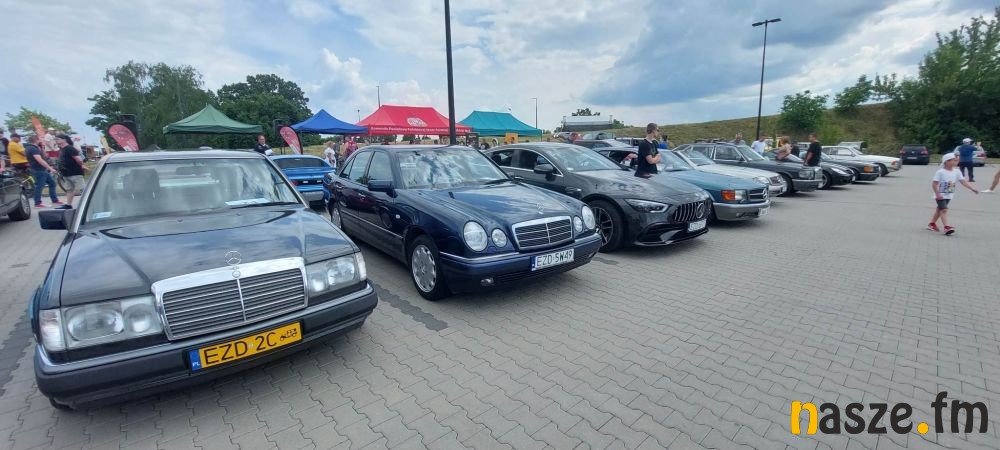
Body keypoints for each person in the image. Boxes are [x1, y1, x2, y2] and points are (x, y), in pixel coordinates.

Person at [928, 153, 978, 235]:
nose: (956, 162)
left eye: (957, 160)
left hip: (949, 195)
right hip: (940, 195)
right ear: (946, 161)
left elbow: (963, 181)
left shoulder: (957, 171)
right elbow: (934, 184)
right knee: (944, 210)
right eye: (954, 160)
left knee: (939, 209)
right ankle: (946, 227)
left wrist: (972, 188)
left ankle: (932, 224)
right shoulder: (940, 172)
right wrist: (937, 194)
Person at [25, 135, 62, 208]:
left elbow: (44, 156)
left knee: (52, 183)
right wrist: (50, 168)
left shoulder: (30, 148)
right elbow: (40, 160)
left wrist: (42, 148)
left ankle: (54, 199)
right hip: (38, 169)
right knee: (39, 186)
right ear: (36, 140)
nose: (41, 140)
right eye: (40, 139)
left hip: (41, 169)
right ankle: (37, 203)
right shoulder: (33, 149)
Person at [56, 135, 86, 209]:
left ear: (65, 140)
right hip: (66, 173)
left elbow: (78, 159)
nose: (56, 140)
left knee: (82, 189)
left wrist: (82, 166)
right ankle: (68, 205)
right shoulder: (62, 149)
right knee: (69, 189)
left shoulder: (70, 148)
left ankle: (88, 204)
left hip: (75, 172)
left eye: (58, 139)